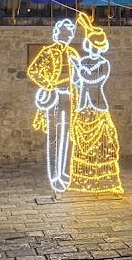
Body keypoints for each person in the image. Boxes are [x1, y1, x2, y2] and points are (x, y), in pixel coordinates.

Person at [68, 13, 122, 194]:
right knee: (82, 144)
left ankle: (106, 178)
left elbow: (94, 79)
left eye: (97, 46)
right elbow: (77, 81)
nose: (94, 50)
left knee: (105, 142)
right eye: (92, 45)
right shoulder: (82, 61)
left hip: (98, 106)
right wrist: (75, 69)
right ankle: (83, 178)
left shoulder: (104, 63)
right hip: (83, 106)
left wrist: (78, 67)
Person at [27, 18, 79, 193]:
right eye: (65, 32)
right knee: (53, 136)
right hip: (53, 97)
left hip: (69, 98)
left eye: (70, 33)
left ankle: (63, 172)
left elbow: (79, 76)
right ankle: (54, 174)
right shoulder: (48, 52)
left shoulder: (73, 53)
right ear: (58, 33)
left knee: (67, 137)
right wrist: (48, 84)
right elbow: (33, 70)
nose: (68, 36)